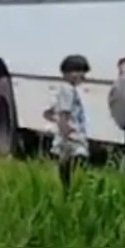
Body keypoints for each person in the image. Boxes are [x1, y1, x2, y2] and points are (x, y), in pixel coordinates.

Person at [43, 55, 91, 195]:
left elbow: (48, 113)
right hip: (72, 140)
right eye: (80, 71)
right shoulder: (68, 90)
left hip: (69, 137)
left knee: (67, 174)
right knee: (76, 171)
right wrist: (66, 134)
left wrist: (57, 121)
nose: (82, 76)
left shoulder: (62, 89)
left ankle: (67, 195)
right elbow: (64, 114)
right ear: (69, 73)